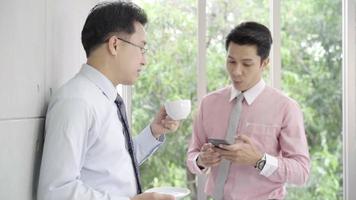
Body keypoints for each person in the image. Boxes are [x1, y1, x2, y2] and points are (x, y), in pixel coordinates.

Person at [38, 1, 179, 200]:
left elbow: (112, 166)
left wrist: (154, 132)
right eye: (141, 48)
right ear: (115, 45)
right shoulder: (76, 102)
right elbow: (56, 191)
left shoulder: (106, 98)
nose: (144, 60)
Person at [187, 21, 310, 200]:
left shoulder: (286, 107)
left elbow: (301, 172)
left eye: (246, 64)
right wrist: (201, 160)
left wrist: (259, 160)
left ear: (264, 63)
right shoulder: (209, 103)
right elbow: (192, 154)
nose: (236, 71)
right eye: (231, 61)